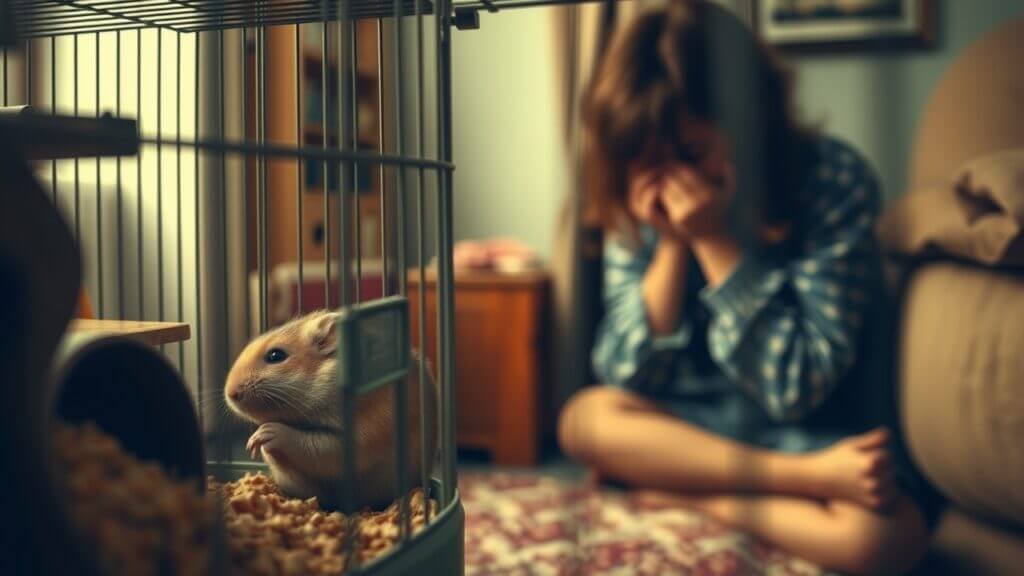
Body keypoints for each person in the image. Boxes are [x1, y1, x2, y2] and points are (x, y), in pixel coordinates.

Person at [557, 1, 934, 573]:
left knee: (886, 541)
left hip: (807, 432)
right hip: (696, 430)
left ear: (749, 121)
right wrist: (675, 245)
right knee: (583, 417)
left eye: (691, 154)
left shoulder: (832, 179)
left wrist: (714, 239)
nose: (669, 181)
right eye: (647, 161)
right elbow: (628, 375)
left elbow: (797, 386)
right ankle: (756, 489)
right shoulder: (639, 199)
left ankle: (694, 492)